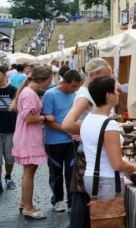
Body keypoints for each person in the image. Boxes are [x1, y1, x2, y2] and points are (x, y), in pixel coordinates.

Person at [62, 58, 114, 228]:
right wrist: (92, 133)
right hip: (88, 151)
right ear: (92, 75)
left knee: (85, 195)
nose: (108, 81)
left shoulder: (87, 91)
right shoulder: (86, 95)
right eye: (105, 77)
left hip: (87, 148)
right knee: (86, 196)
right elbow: (68, 123)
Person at [82, 76, 136, 200]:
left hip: (93, 177)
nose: (118, 94)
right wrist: (135, 167)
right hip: (107, 181)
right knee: (111, 218)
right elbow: (117, 164)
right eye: (116, 90)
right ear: (108, 95)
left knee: (102, 217)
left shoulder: (89, 118)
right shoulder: (108, 123)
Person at [9, 66, 55, 219]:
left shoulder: (28, 91)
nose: (50, 83)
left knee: (29, 172)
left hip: (27, 136)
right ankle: (28, 207)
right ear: (42, 80)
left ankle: (25, 201)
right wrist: (44, 117)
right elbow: (29, 118)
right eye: (49, 80)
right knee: (29, 172)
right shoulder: (29, 94)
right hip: (29, 137)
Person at [41, 70, 82, 212]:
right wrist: (68, 130)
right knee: (55, 172)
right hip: (53, 141)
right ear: (65, 82)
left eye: (77, 87)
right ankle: (57, 200)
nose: (75, 89)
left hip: (71, 141)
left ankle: (71, 201)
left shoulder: (76, 95)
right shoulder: (50, 95)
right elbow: (48, 121)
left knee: (72, 172)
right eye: (73, 86)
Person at [0, 65, 17, 193]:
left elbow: (18, 109)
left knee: (9, 158)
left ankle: (8, 176)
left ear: (5, 74)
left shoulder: (13, 90)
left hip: (10, 129)